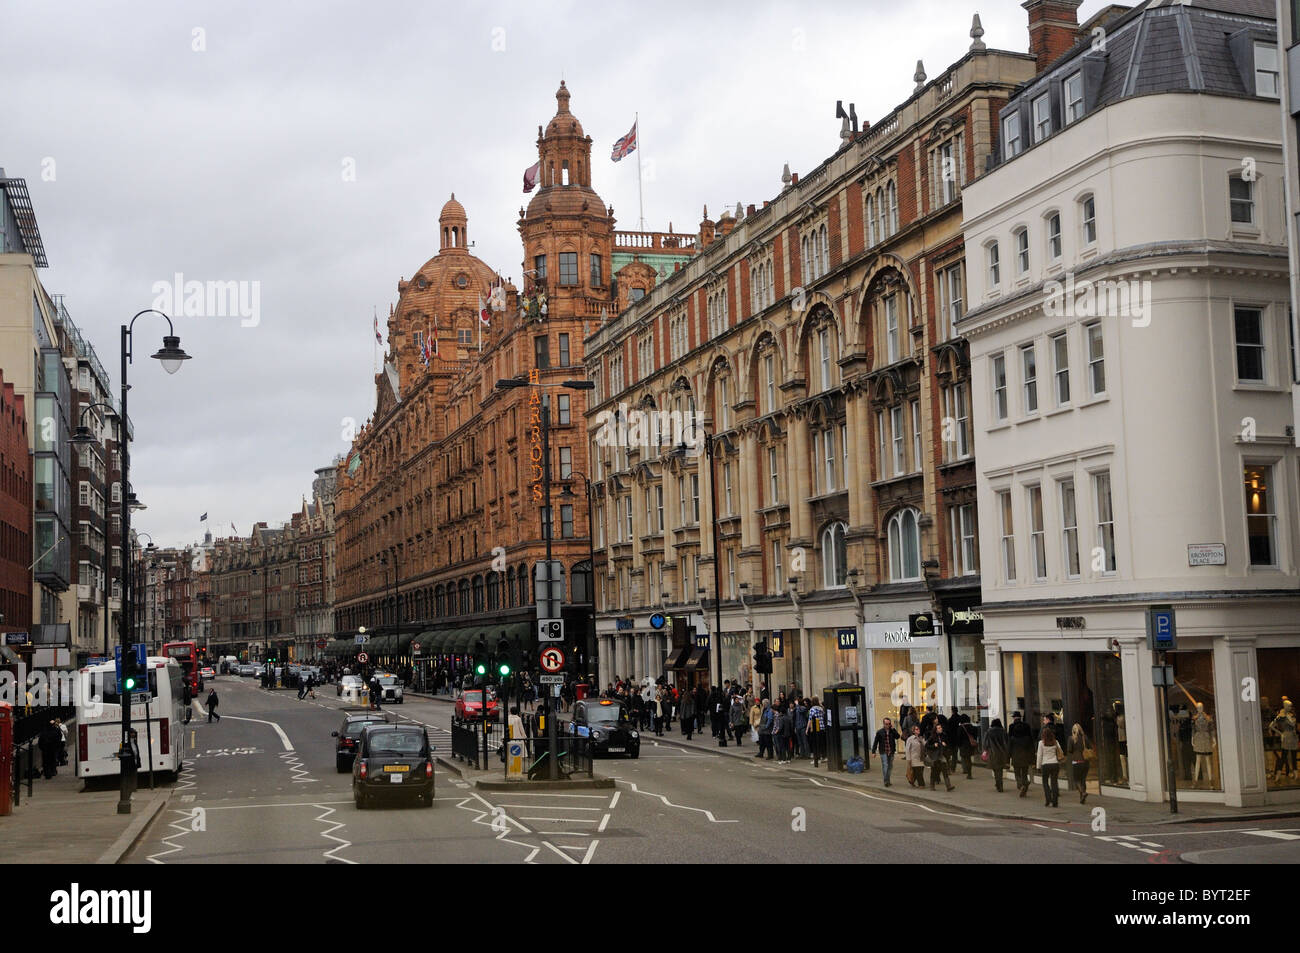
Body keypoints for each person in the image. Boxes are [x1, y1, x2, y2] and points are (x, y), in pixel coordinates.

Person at [1008, 711, 1035, 797]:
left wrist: (1008, 757)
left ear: (1014, 718)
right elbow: (1031, 740)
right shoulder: (1027, 726)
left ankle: (1020, 785)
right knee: (1024, 772)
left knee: (1017, 772)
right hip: (1026, 754)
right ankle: (1025, 784)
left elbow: (1009, 743)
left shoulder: (1011, 727)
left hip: (1016, 755)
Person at [1036, 727, 1064, 807]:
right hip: (1055, 764)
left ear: (1043, 735)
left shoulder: (1041, 743)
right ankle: (1055, 801)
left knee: (1045, 783)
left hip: (1045, 764)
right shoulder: (1055, 742)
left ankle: (1048, 799)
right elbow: (1060, 751)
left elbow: (1039, 755)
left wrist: (1038, 766)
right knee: (1054, 783)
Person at [872, 717, 902, 787]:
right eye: (886, 724)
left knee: (890, 766)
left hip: (891, 751)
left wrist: (893, 729)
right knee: (885, 765)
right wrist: (873, 752)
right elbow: (875, 742)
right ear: (883, 724)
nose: (887, 725)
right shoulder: (879, 732)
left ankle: (888, 780)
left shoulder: (892, 731)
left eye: (889, 724)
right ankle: (886, 781)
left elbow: (898, 737)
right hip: (883, 751)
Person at [925, 723, 954, 791]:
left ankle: (948, 786)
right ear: (936, 730)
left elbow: (947, 744)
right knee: (934, 771)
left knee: (945, 770)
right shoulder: (932, 737)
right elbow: (927, 746)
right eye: (938, 728)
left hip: (942, 755)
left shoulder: (943, 735)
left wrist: (945, 745)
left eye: (940, 727)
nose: (940, 729)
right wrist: (933, 745)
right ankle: (932, 786)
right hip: (935, 756)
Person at [983, 718, 1009, 792]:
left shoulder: (989, 732)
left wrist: (986, 750)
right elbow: (1007, 742)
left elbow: (985, 744)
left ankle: (998, 784)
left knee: (995, 769)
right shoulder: (1003, 731)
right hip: (1002, 753)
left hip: (992, 753)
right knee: (1000, 769)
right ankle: (1000, 784)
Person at [1066, 723, 1090, 803]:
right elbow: (1090, 747)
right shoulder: (1085, 738)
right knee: (1083, 780)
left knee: (1076, 780)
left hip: (1076, 761)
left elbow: (1069, 750)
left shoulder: (1071, 738)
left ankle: (1083, 793)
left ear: (1073, 730)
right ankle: (1082, 798)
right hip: (1085, 761)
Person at [807, 697, 826, 767]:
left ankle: (816, 759)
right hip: (822, 727)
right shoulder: (821, 708)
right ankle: (823, 757)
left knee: (815, 744)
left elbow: (810, 719)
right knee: (821, 743)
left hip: (815, 728)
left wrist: (807, 729)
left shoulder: (812, 709)